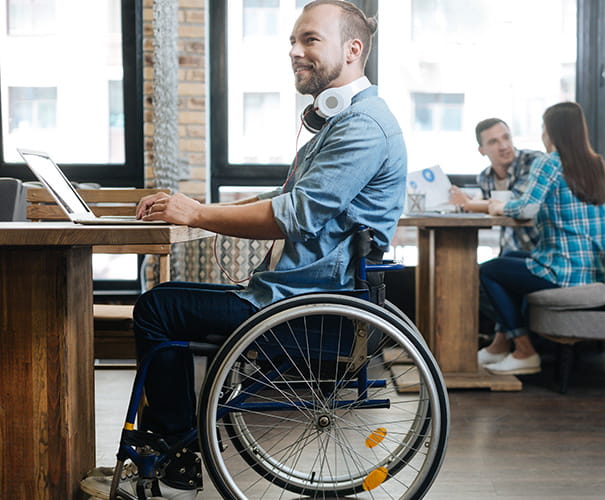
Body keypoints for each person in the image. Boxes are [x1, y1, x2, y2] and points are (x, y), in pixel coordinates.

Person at [81, 2, 406, 499]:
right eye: (294, 41)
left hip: (308, 311)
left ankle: (178, 463)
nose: (295, 52)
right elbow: (288, 201)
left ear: (353, 49)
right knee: (167, 302)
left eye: (310, 40)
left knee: (157, 308)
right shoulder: (345, 123)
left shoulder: (363, 127)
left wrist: (197, 215)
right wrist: (194, 206)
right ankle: (173, 455)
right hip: (297, 297)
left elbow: (294, 214)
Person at [477, 102, 605, 375]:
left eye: (543, 128)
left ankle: (525, 351)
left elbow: (525, 207)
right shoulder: (596, 163)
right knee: (509, 258)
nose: (542, 134)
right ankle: (500, 344)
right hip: (591, 270)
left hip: (562, 272)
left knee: (489, 271)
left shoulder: (549, 163)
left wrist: (497, 207)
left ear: (552, 132)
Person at [448, 118, 543, 253]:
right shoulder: (485, 177)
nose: (504, 146)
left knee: (483, 271)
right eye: (493, 142)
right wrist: (465, 200)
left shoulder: (533, 161)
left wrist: (468, 203)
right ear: (482, 150)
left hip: (541, 252)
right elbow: (492, 207)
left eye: (506, 137)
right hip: (511, 249)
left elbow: (517, 204)